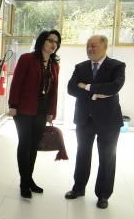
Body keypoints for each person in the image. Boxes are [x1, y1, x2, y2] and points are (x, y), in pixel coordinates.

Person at [65, 35, 126, 209]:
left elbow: (114, 87)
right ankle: (78, 188)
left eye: (93, 46)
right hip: (84, 119)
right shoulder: (81, 67)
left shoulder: (117, 66)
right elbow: (71, 88)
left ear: (104, 47)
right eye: (88, 45)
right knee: (82, 154)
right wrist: (97, 93)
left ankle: (103, 195)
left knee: (107, 158)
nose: (90, 49)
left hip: (109, 120)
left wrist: (87, 86)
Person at [8, 30, 61, 198]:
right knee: (25, 144)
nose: (54, 44)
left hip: (42, 110)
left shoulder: (54, 65)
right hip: (23, 109)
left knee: (33, 146)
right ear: (42, 41)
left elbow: (54, 91)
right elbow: (16, 82)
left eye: (56, 42)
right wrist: (13, 105)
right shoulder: (27, 59)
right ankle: (24, 183)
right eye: (50, 40)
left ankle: (29, 179)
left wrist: (51, 112)